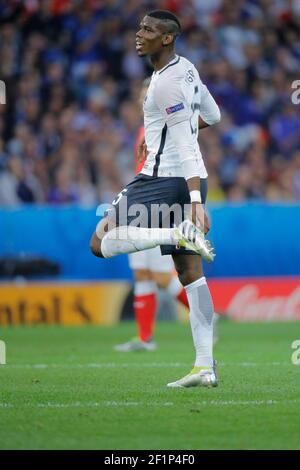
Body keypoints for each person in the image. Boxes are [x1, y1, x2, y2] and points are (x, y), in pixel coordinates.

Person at [90, 10, 221, 388]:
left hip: (161, 180)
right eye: (140, 26)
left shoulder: (163, 85)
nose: (139, 33)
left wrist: (195, 200)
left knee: (99, 241)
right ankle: (204, 366)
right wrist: (168, 133)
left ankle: (173, 234)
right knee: (190, 276)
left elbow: (183, 141)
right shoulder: (188, 70)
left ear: (167, 38)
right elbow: (213, 114)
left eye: (148, 29)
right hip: (186, 181)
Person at [114, 79, 191, 353]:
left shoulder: (163, 128)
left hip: (154, 206)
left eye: (148, 95)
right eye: (142, 96)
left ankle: (205, 314)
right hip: (143, 205)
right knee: (143, 274)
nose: (144, 100)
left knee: (157, 276)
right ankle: (145, 338)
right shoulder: (146, 128)